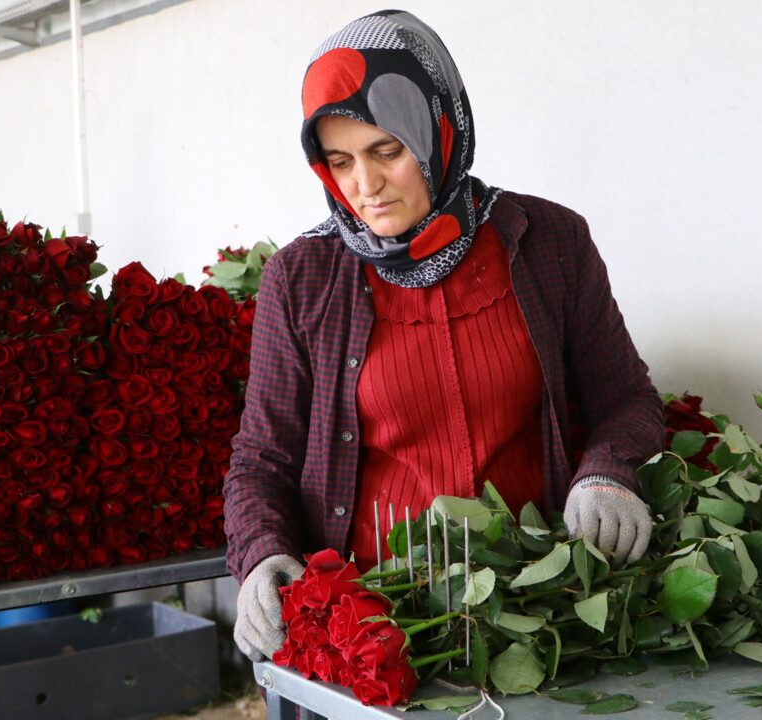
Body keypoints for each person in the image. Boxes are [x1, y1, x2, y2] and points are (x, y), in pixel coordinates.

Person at [224, 10, 664, 663]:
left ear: (441, 129)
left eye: (387, 151)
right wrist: (263, 556)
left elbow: (626, 400)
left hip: (535, 611)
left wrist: (607, 475)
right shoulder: (303, 278)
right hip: (377, 625)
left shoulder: (549, 244)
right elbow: (263, 460)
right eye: (340, 162)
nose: (364, 187)